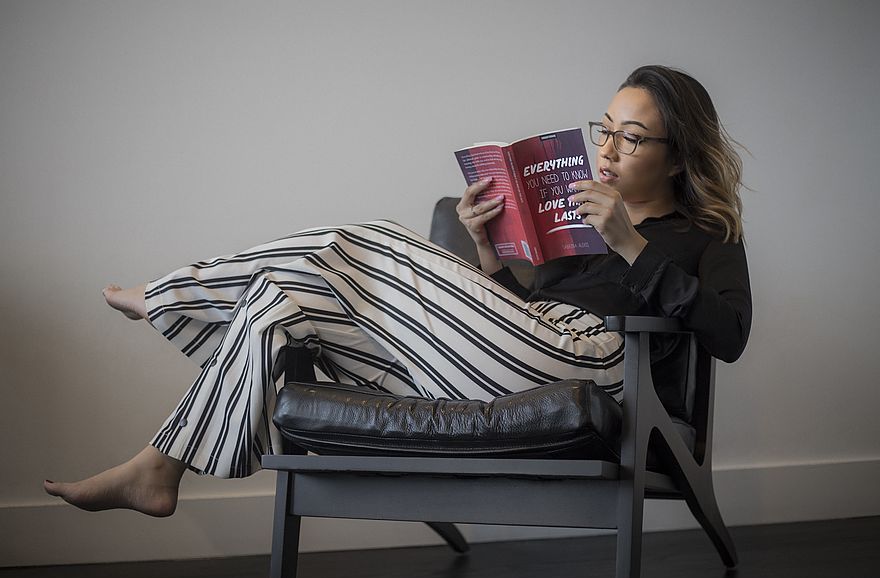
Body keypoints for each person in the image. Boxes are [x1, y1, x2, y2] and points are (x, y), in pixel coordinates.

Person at [44, 64, 752, 518]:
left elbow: (730, 335)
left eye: (632, 138)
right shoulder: (576, 218)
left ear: (677, 155)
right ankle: (158, 468)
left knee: (369, 239)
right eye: (605, 130)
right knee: (279, 303)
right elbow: (526, 313)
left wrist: (630, 242)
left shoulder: (706, 233)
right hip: (521, 352)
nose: (608, 150)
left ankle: (169, 297)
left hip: (601, 366)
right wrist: (485, 248)